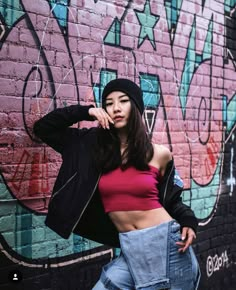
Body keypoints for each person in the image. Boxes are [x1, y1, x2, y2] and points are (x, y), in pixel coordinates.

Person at [33, 78, 200, 290]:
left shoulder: (159, 154)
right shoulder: (87, 146)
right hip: (130, 247)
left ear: (136, 107)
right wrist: (87, 112)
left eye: (123, 101)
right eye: (109, 103)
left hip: (166, 243)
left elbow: (173, 201)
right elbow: (43, 128)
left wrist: (188, 222)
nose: (116, 108)